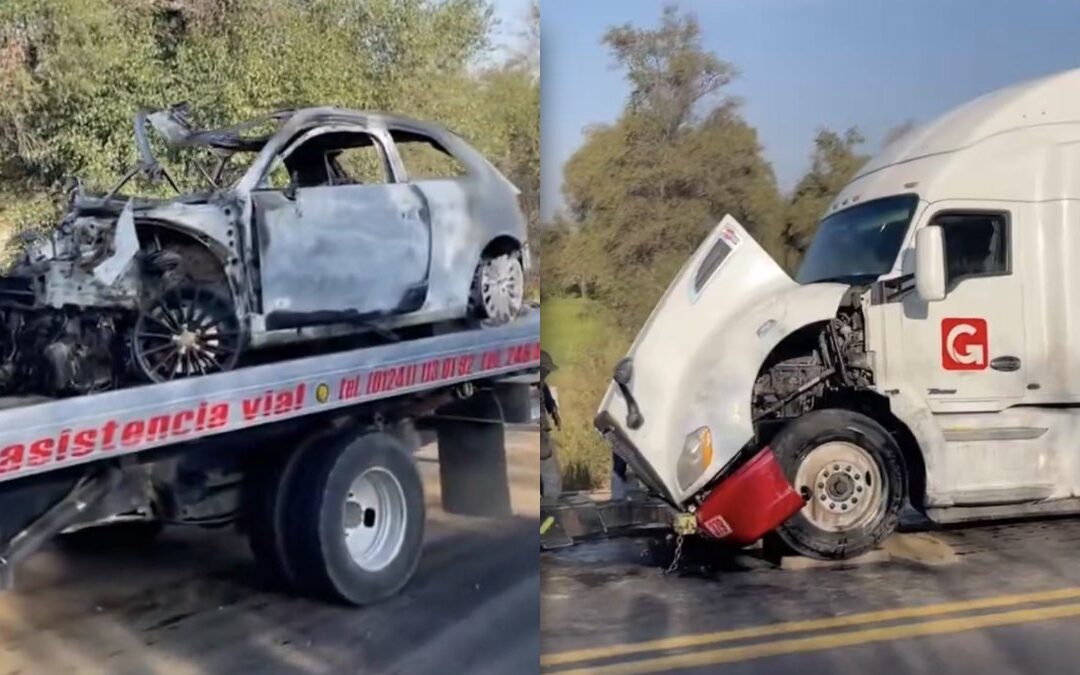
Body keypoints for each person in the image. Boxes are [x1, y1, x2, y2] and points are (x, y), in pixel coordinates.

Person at [539, 350, 562, 499]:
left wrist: (555, 414)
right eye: (546, 369)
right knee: (549, 471)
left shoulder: (542, 384)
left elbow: (549, 402)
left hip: (543, 431)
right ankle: (549, 503)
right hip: (538, 433)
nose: (548, 373)